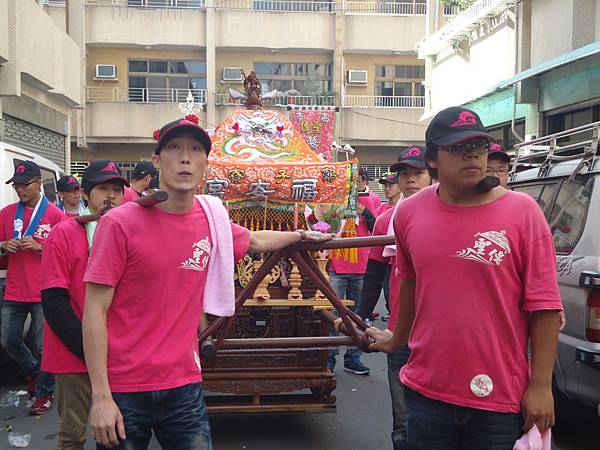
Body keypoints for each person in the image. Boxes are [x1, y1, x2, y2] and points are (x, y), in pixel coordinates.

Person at [82, 115, 332, 450]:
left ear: (205, 162)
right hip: (125, 387)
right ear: (157, 160)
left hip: (183, 384)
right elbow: (94, 312)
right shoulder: (119, 224)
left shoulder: (211, 219)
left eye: (195, 149)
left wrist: (301, 234)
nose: (185, 157)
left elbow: (254, 241)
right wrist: (100, 397)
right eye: (174, 148)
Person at [367, 106, 563, 449]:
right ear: (433, 160)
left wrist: (541, 386)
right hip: (426, 392)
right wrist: (397, 340)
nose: (473, 155)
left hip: (498, 398)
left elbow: (545, 305)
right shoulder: (409, 213)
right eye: (458, 148)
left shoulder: (523, 212)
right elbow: (410, 283)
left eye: (479, 147)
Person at [347, 146, 431, 450]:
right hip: (400, 330)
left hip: (440, 334)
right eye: (404, 173)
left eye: (417, 173)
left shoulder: (452, 216)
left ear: (432, 173)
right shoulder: (387, 220)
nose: (410, 180)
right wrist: (360, 319)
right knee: (403, 421)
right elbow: (373, 276)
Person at [41, 160, 128, 450]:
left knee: (116, 434)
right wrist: (89, 349)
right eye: (103, 189)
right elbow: (54, 303)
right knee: (72, 436)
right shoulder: (64, 234)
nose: (111, 196)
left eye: (117, 189)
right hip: (71, 354)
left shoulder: (128, 233)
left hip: (117, 354)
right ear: (86, 194)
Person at [0, 160, 66, 415]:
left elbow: (69, 254)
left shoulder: (56, 216)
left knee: (43, 345)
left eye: (24, 184)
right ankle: (35, 373)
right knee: (9, 340)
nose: (19, 190)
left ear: (39, 183)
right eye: (16, 185)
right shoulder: (6, 214)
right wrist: (3, 245)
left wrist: (43, 247)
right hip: (14, 289)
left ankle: (44, 393)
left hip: (44, 291)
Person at [327, 179, 376, 376]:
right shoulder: (332, 202)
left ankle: (353, 358)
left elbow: (377, 227)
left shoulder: (370, 200)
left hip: (361, 267)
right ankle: (329, 358)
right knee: (332, 314)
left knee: (358, 314)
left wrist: (364, 211)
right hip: (337, 267)